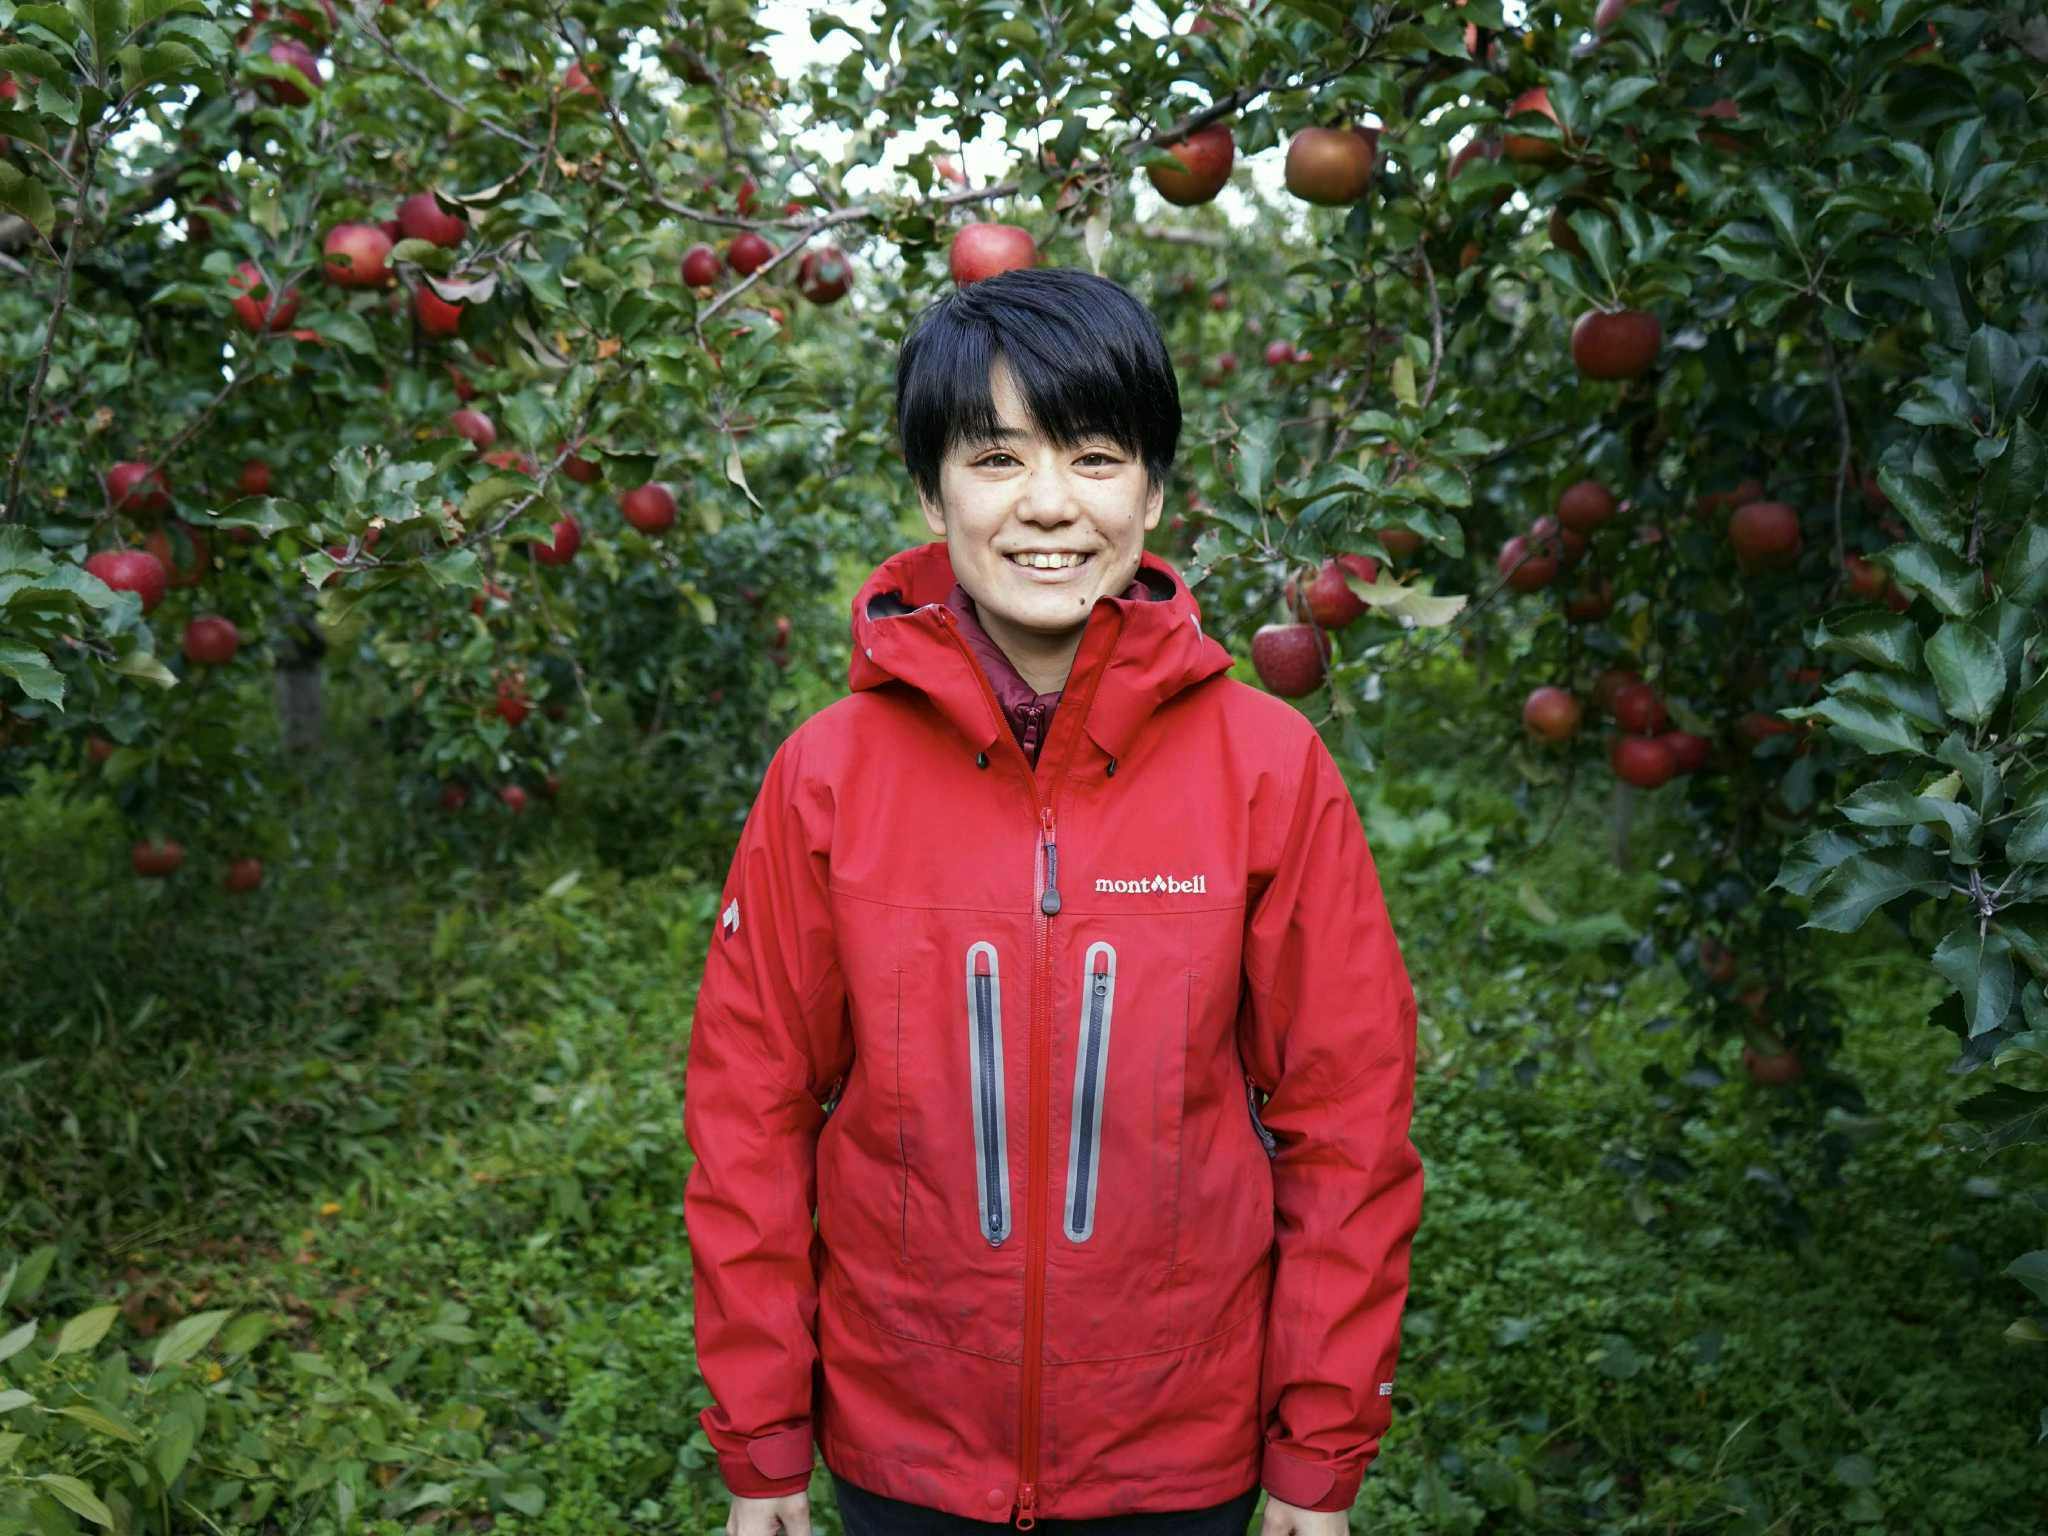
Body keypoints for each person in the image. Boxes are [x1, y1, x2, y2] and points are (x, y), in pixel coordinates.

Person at [684, 267, 1423, 1536]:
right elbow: (750, 1115)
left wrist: (1318, 1444)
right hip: (904, 1442)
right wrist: (762, 1440)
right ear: (931, 494)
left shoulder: (1263, 768)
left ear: (1152, 490)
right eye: (994, 458)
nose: (1046, 504)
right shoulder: (828, 777)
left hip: (1175, 1446)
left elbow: (1345, 1116)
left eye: (1092, 457)